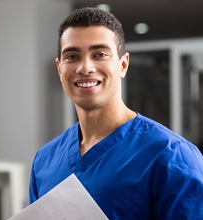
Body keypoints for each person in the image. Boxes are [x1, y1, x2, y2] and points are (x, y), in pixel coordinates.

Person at [29, 7, 203, 219]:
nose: (85, 68)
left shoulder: (171, 156)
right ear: (59, 68)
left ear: (123, 64)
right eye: (72, 56)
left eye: (100, 54)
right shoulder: (44, 160)